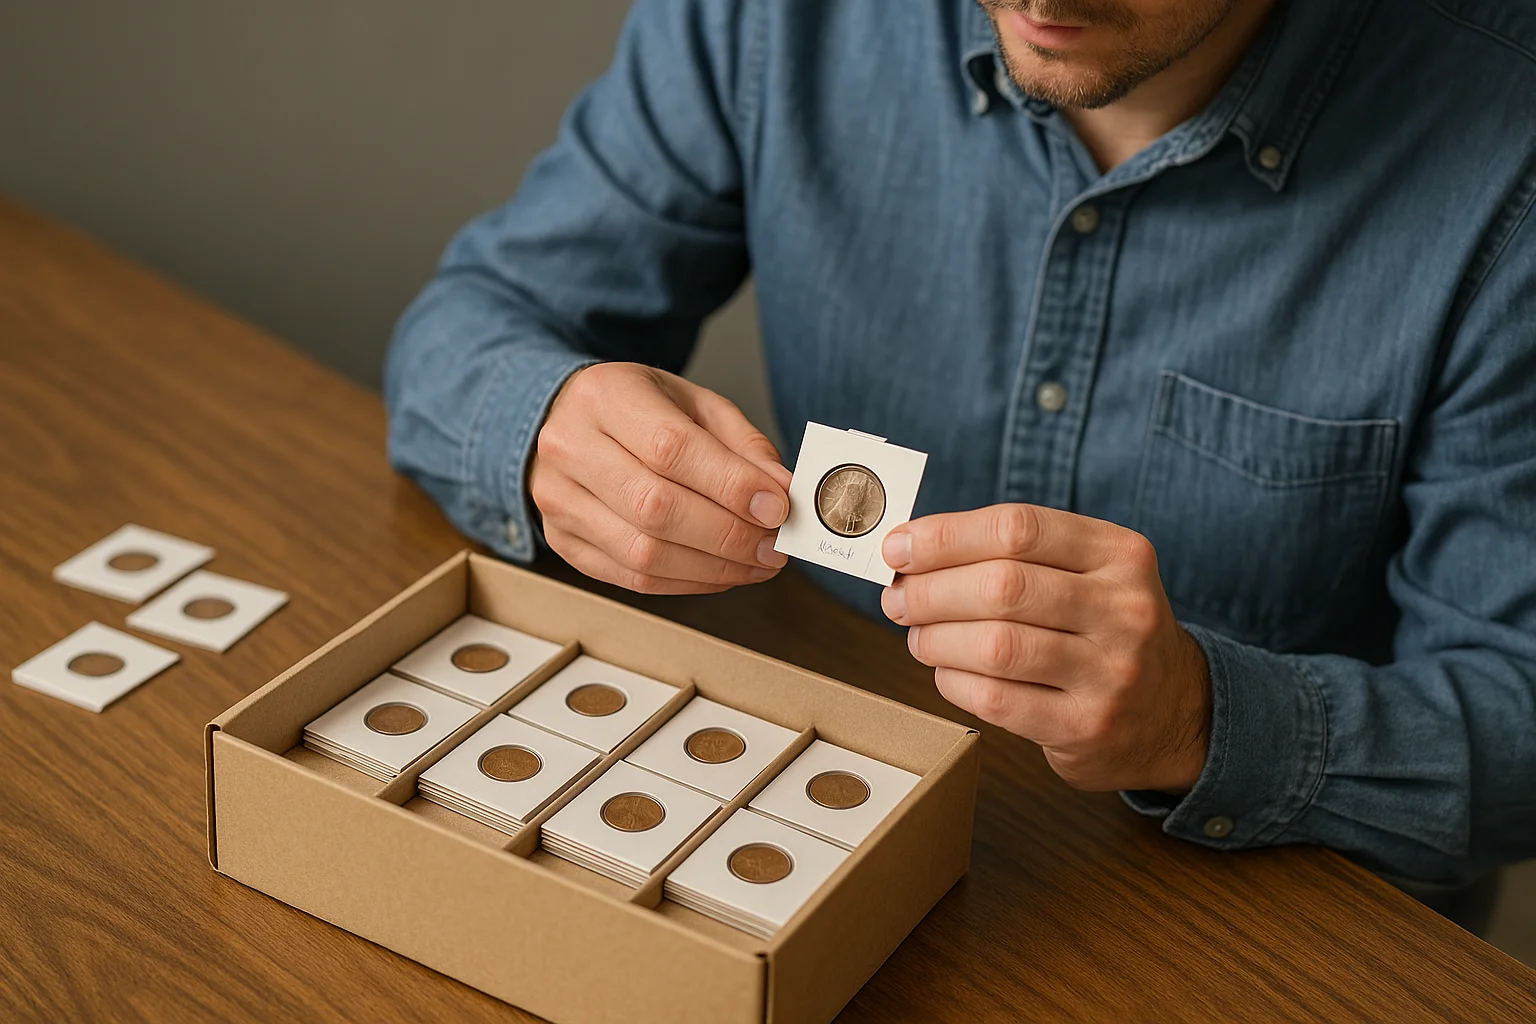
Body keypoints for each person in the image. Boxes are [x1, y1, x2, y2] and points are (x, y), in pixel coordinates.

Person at [384, 0, 1536, 926]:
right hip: (795, 815)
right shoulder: (769, 19)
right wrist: (546, 427)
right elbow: (467, 327)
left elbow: (1517, 722)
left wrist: (1203, 718)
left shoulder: (1508, 155)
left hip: (1245, 930)